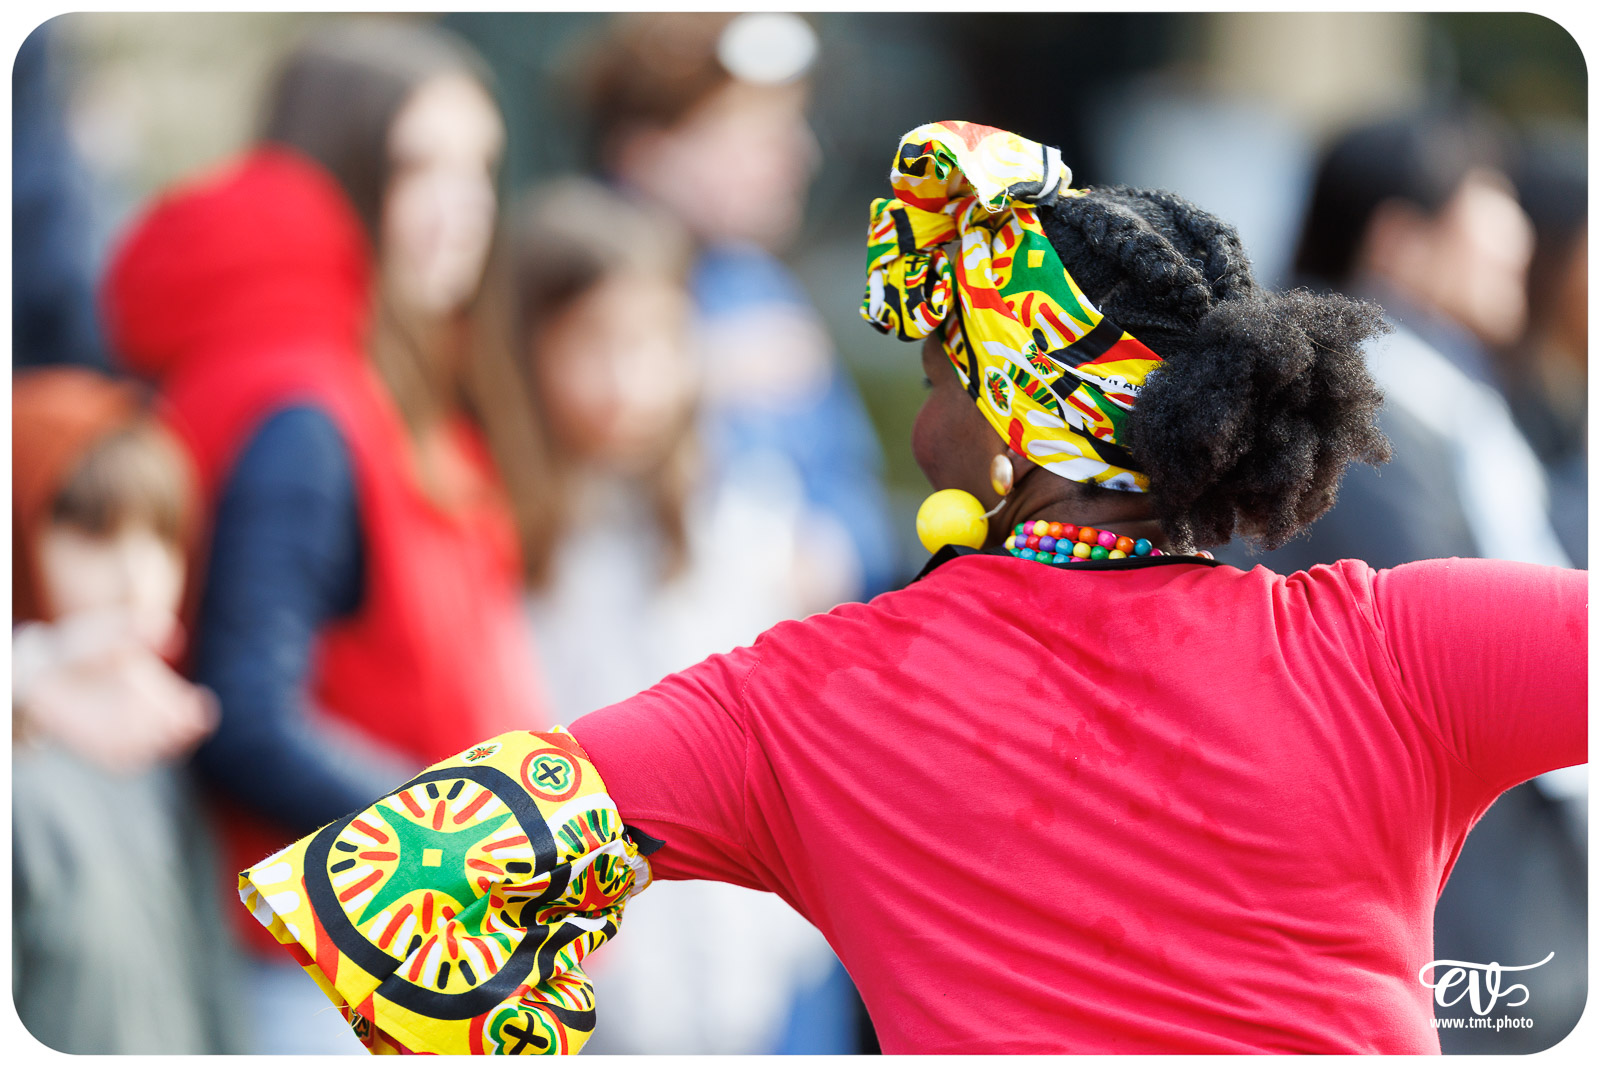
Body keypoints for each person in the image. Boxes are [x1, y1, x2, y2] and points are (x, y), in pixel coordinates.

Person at [238, 122, 1586, 1054]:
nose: (926, 423)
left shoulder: (802, 699)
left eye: (943, 379)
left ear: (1015, 427)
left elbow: (399, 877)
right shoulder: (1402, 645)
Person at [100, 18, 547, 1053]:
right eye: (415, 168)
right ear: (335, 179)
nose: (462, 208)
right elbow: (248, 714)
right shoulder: (302, 412)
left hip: (398, 935)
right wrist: (484, 831)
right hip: (326, 967)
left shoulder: (382, 390)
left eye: (479, 167)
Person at [499, 178, 844, 1053]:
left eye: (656, 343)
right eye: (594, 346)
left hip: (736, 978)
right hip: (582, 982)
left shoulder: (736, 517)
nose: (633, 381)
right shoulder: (505, 531)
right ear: (523, 352)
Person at [579, 12, 897, 605]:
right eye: (754, 134)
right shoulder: (569, 283)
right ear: (646, 151)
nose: (798, 156)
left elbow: (854, 493)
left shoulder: (760, 287)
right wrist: (692, 372)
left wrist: (836, 551)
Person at [12, 367, 239, 1052]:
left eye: (162, 539)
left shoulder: (158, 759)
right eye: (94, 534)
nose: (137, 575)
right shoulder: (19, 785)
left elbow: (211, 978)